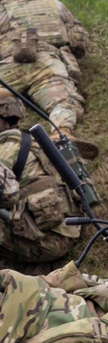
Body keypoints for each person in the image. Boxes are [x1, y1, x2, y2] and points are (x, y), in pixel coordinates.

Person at [0, 0, 95, 156]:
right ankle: (62, 134)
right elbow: (79, 40)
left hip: (8, 67)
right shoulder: (55, 5)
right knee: (64, 100)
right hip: (48, 63)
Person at [0, 88, 85, 273]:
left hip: (46, 242)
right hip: (71, 228)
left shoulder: (4, 152)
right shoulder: (35, 141)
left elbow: (6, 197)